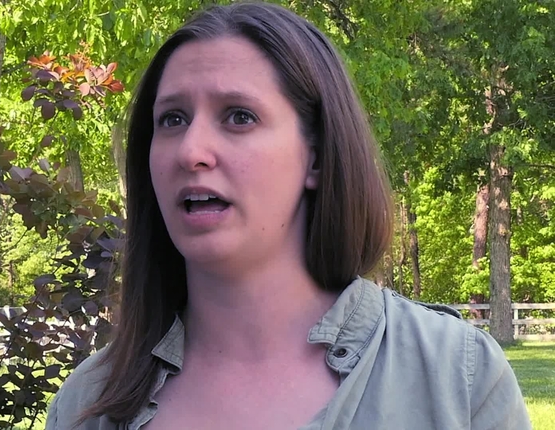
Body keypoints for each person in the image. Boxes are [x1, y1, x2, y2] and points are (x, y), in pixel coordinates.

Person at [45, 2, 531, 429]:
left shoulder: (456, 377)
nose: (191, 150)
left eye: (239, 116)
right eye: (172, 119)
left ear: (316, 157)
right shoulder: (89, 404)